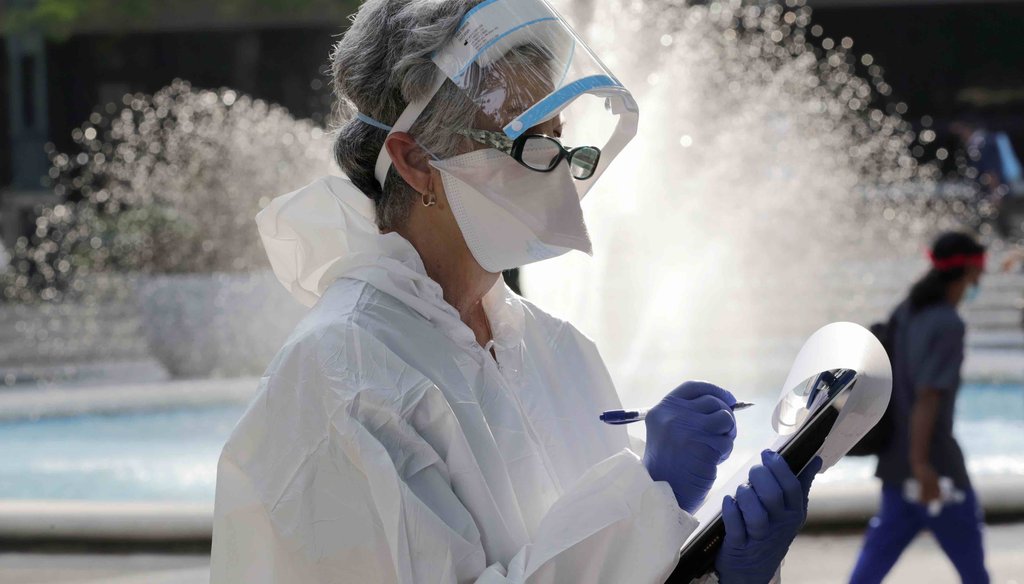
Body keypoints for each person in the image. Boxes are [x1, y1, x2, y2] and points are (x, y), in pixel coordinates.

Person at [210, 0, 819, 582]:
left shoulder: (555, 348)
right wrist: (646, 500)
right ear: (416, 160)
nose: (554, 166)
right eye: (528, 141)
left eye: (558, 137)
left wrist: (720, 566)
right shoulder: (344, 373)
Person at [849, 232, 990, 583]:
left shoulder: (907, 309)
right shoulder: (948, 324)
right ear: (969, 270)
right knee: (973, 569)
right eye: (980, 270)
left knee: (872, 564)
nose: (982, 279)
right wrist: (921, 465)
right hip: (935, 469)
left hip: (896, 463)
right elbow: (928, 398)